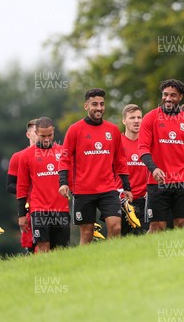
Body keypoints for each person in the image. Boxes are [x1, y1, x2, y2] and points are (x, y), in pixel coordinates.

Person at [58, 88, 132, 244]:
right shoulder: (75, 130)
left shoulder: (112, 130)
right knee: (87, 233)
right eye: (95, 104)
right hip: (83, 190)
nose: (99, 108)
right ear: (86, 106)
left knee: (116, 227)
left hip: (108, 189)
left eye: (102, 104)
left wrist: (126, 187)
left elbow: (120, 161)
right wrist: (63, 182)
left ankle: (112, 261)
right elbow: (64, 158)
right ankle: (86, 267)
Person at [138, 79, 184, 232]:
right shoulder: (150, 118)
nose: (168, 98)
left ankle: (181, 255)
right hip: (157, 183)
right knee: (157, 227)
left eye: (173, 95)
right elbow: (142, 149)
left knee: (182, 226)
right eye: (165, 94)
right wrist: (154, 169)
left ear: (180, 97)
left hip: (183, 182)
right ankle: (150, 255)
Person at [17, 117, 70, 252]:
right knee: (42, 247)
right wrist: (22, 215)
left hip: (61, 209)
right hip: (39, 209)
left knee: (61, 249)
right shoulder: (26, 156)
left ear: (53, 131)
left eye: (50, 135)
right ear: (36, 132)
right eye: (42, 136)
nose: (46, 139)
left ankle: (63, 274)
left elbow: (73, 178)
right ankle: (45, 274)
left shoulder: (63, 151)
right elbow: (21, 187)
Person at [6, 118, 38, 254]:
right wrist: (30, 189)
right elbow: (10, 185)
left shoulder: (53, 154)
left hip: (50, 205)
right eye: (36, 132)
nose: (39, 135)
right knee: (31, 242)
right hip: (27, 206)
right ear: (28, 134)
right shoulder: (18, 157)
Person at [117, 104, 149, 235]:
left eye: (139, 117)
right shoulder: (116, 142)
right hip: (121, 200)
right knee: (120, 240)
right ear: (124, 120)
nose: (136, 121)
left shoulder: (148, 143)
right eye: (132, 118)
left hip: (144, 200)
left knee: (143, 238)